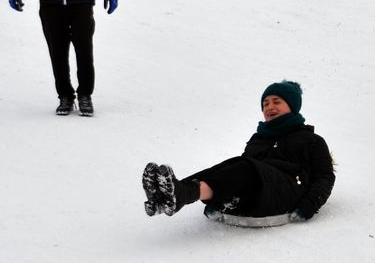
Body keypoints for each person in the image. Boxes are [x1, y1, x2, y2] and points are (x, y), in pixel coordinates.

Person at [141, 81, 335, 222]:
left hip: (290, 191)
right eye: (265, 104)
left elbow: (325, 176)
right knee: (233, 164)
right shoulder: (259, 139)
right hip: (261, 190)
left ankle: (181, 193)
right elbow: (237, 175)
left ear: (292, 107)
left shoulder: (311, 140)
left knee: (245, 167)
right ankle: (170, 195)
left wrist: (308, 206)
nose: (270, 107)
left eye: (277, 102)